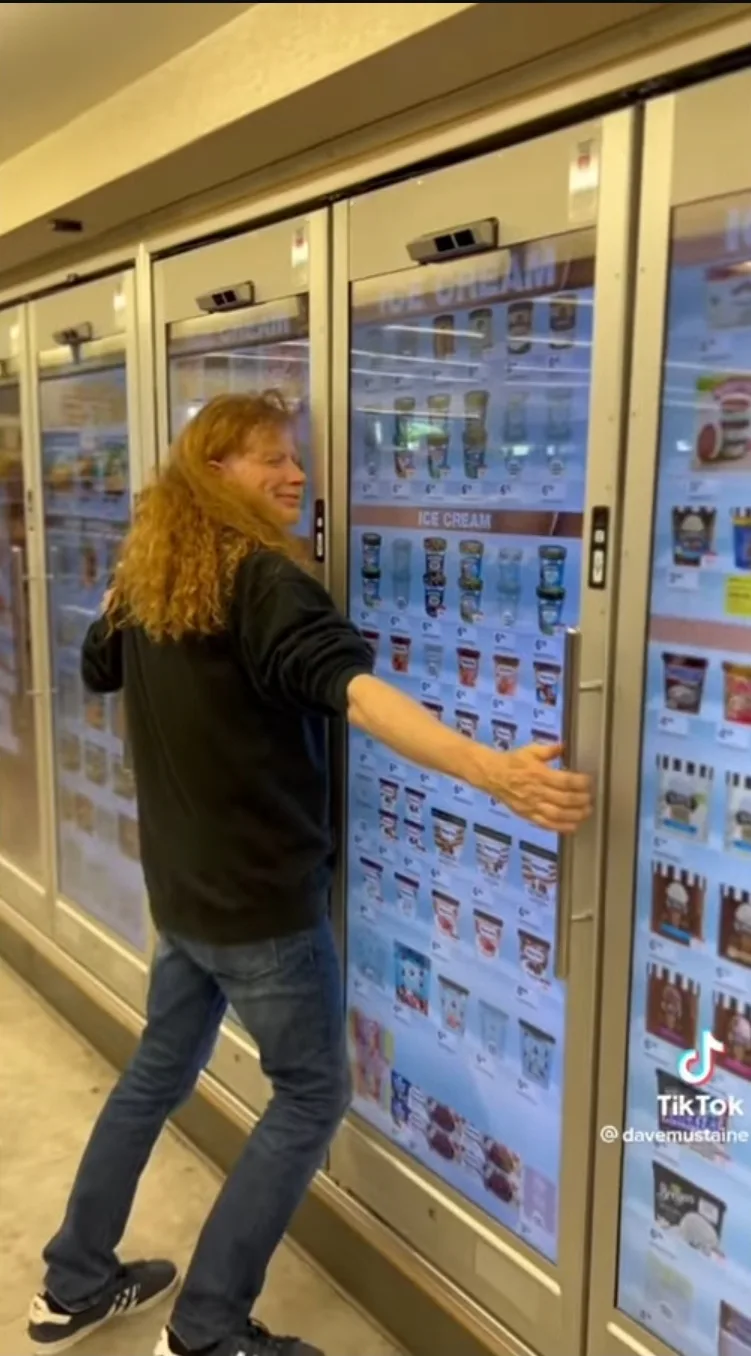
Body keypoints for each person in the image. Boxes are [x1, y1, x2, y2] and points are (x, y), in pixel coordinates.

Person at [28, 392, 592, 1356]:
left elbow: (100, 665)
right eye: (270, 459)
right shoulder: (262, 579)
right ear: (214, 474)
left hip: (187, 895)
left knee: (157, 1070)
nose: (295, 475)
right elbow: (356, 694)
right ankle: (207, 1330)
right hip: (261, 910)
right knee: (310, 1096)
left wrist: (131, 584)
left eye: (294, 457)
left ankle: (72, 1281)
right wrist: (490, 770)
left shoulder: (161, 575)